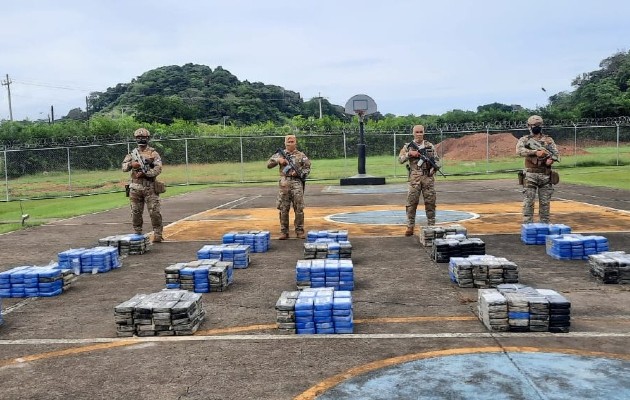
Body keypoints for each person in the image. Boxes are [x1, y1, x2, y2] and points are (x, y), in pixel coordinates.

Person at [122, 127, 164, 243]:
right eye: (138, 137)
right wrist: (132, 164)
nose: (141, 139)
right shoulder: (132, 154)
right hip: (135, 188)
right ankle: (137, 233)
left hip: (149, 187)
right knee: (135, 212)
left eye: (143, 137)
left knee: (154, 212)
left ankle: (158, 234)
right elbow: (124, 168)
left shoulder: (153, 153)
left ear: (148, 138)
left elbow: (158, 168)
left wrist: (146, 173)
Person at [516, 115, 560, 224]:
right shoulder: (525, 140)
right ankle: (527, 226)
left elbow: (556, 154)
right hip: (530, 175)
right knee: (529, 202)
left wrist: (552, 160)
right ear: (529, 126)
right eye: (534, 125)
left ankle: (544, 226)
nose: (536, 127)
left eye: (538, 125)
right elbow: (519, 151)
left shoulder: (548, 140)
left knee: (545, 203)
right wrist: (535, 152)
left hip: (545, 175)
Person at [398, 124, 441, 236]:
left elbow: (437, 161)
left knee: (430, 202)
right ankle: (410, 226)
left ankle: (431, 225)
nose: (419, 134)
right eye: (416, 132)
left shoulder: (430, 146)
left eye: (421, 132)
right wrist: (409, 154)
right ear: (413, 133)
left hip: (428, 178)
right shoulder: (408, 146)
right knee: (411, 203)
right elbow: (400, 159)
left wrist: (434, 168)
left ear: (424, 133)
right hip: (414, 179)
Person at [267, 135, 311, 240]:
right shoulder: (280, 154)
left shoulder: (301, 155)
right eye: (288, 142)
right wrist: (278, 160)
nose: (290, 143)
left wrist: (299, 173)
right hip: (284, 184)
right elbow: (268, 164)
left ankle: (299, 231)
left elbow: (307, 168)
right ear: (285, 143)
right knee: (283, 208)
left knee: (299, 208)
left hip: (297, 183)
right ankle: (284, 232)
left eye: (292, 141)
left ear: (296, 143)